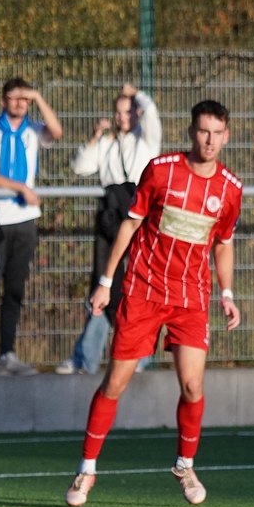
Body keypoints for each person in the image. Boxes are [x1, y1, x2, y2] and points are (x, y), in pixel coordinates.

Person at [64, 100, 242, 507]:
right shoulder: (161, 170)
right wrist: (106, 282)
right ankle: (86, 469)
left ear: (226, 136)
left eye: (217, 133)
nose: (209, 140)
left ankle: (185, 465)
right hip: (143, 291)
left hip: (190, 297)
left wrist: (228, 294)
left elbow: (224, 243)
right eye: (203, 131)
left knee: (193, 386)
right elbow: (130, 224)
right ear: (191, 132)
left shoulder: (230, 189)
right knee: (115, 383)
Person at [56, 83, 161, 376]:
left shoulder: (146, 140)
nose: (122, 117)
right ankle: (85, 358)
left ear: (136, 113)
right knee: (103, 284)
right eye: (118, 112)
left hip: (139, 215)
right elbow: (80, 167)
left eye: (128, 112)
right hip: (111, 217)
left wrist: (136, 93)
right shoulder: (107, 143)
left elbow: (152, 113)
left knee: (137, 286)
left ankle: (139, 354)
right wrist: (94, 138)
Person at [0, 77, 62, 376]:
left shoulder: (32, 130)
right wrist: (20, 187)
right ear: (3, 101)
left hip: (24, 221)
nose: (20, 103)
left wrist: (38, 95)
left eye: (25, 98)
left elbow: (56, 131)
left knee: (14, 289)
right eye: (14, 97)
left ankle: (7, 354)